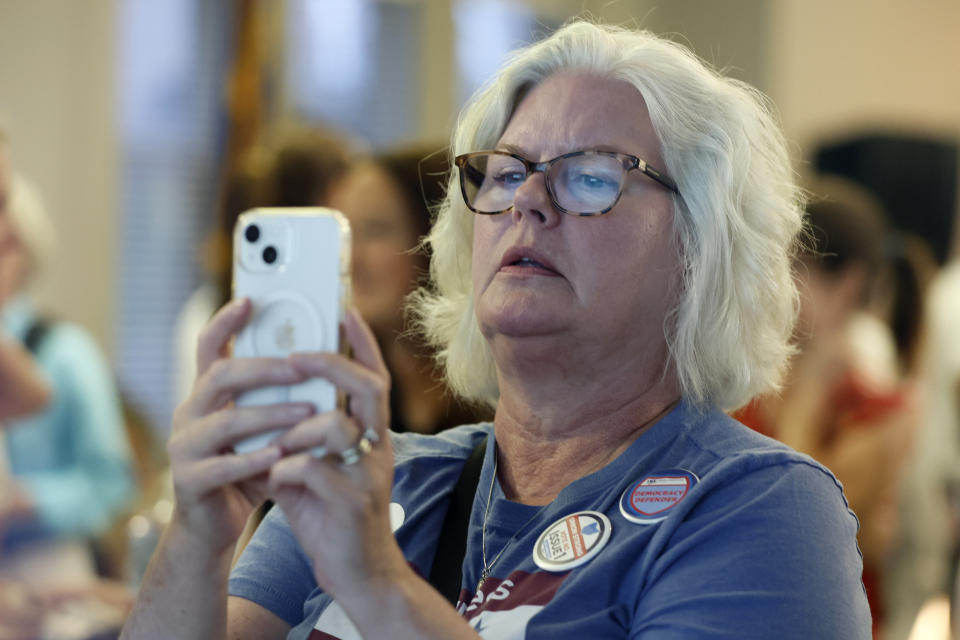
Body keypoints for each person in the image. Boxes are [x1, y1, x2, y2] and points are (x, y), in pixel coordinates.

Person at [123, 21, 871, 638]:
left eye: (591, 176)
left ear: (700, 248)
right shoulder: (378, 479)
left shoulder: (761, 509)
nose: (529, 203)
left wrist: (377, 583)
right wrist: (201, 529)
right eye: (509, 172)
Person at [733, 176, 926, 636]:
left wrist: (812, 390)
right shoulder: (745, 385)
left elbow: (792, 523)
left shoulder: (884, 412)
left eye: (794, 266)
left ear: (847, 284)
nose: (774, 282)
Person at [0, 154, 135, 566]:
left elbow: (113, 483)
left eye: (9, 245)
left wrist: (27, 500)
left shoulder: (68, 351)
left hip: (47, 563)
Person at [328, 145, 490, 434]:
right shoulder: (338, 392)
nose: (351, 258)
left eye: (375, 231)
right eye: (344, 234)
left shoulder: (502, 393)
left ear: (438, 237)